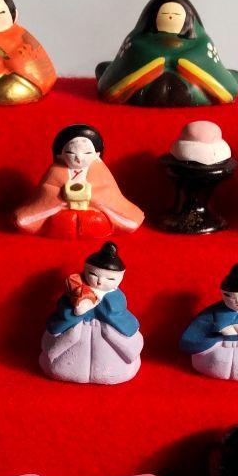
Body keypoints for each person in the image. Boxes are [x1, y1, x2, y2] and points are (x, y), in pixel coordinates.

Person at [95, 0, 238, 106]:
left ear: (188, 20)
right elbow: (129, 61)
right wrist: (155, 63)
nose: (171, 17)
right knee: (104, 68)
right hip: (142, 90)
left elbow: (209, 66)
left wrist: (185, 64)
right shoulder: (137, 41)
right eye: (165, 14)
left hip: (193, 88)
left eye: (177, 15)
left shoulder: (202, 43)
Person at [15, 125, 144, 240]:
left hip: (94, 216)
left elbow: (108, 191)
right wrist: (62, 196)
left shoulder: (100, 170)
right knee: (25, 220)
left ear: (97, 154)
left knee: (119, 221)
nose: (79, 158)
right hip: (62, 214)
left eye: (87, 153)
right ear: (60, 155)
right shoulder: (56, 170)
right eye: (70, 152)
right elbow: (47, 189)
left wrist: (91, 196)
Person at [40, 242, 143, 385]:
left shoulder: (116, 298)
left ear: (121, 277)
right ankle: (66, 368)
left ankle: (110, 371)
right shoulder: (76, 289)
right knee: (68, 344)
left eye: (110, 278)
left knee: (111, 348)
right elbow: (63, 309)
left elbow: (116, 311)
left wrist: (98, 305)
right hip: (78, 330)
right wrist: (77, 306)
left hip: (106, 333)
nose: (100, 281)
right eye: (94, 274)